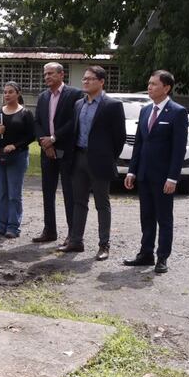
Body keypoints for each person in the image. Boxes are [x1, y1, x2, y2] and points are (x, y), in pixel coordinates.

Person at [123, 69, 188, 274]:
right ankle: (146, 254)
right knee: (146, 216)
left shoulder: (177, 112)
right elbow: (139, 145)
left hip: (163, 177)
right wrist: (132, 171)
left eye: (154, 84)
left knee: (164, 218)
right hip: (143, 175)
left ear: (166, 88)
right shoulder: (145, 111)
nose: (149, 87)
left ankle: (162, 257)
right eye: (149, 83)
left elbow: (179, 149)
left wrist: (172, 177)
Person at [60, 65, 125, 260]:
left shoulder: (112, 105)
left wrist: (108, 157)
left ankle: (104, 245)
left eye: (90, 79)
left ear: (101, 81)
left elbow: (119, 137)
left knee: (101, 204)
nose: (85, 82)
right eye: (84, 79)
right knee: (79, 202)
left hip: (99, 161)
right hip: (78, 158)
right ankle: (76, 241)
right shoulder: (79, 104)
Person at [32, 62, 82, 244]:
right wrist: (45, 143)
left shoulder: (74, 94)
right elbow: (37, 122)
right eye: (45, 74)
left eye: (51, 74)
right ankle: (49, 231)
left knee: (69, 193)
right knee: (47, 192)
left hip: (66, 151)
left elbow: (73, 122)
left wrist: (53, 139)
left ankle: (72, 234)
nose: (47, 77)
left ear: (62, 75)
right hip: (47, 151)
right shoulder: (43, 97)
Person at [0, 82, 35, 238]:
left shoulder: (25, 113)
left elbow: (31, 135)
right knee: (1, 193)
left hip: (17, 157)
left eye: (10, 92)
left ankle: (13, 226)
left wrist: (15, 145)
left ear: (18, 93)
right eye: (5, 92)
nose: (7, 95)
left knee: (14, 194)